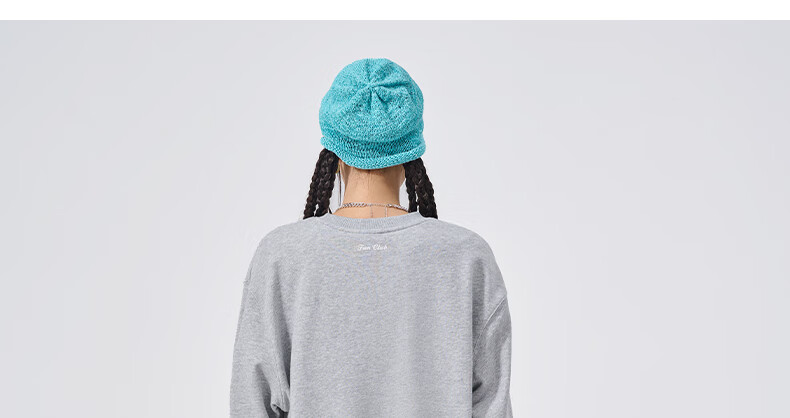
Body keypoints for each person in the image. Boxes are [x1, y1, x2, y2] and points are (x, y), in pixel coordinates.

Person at [230, 57, 513, 417]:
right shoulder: (467, 258)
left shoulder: (282, 256)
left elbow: (251, 406)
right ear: (411, 150)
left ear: (335, 152)